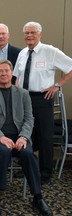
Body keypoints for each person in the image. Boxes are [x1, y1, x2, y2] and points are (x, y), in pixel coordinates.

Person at [0, 60, 52, 216]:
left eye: (7, 71)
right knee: (3, 152)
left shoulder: (23, 93)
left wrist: (24, 137)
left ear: (12, 73)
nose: (4, 74)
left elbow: (29, 118)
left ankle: (38, 197)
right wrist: (0, 137)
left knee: (28, 154)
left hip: (19, 136)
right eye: (0, 71)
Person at [13, 21, 72, 185]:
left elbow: (70, 66)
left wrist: (57, 85)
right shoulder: (23, 53)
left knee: (45, 137)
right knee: (26, 135)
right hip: (24, 98)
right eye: (26, 33)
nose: (29, 36)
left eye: (33, 32)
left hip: (42, 98)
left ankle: (45, 173)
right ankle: (26, 169)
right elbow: (17, 76)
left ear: (40, 34)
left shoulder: (50, 51)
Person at [0, 23, 21, 88]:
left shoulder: (18, 53)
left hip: (11, 92)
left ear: (8, 35)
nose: (1, 36)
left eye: (3, 33)